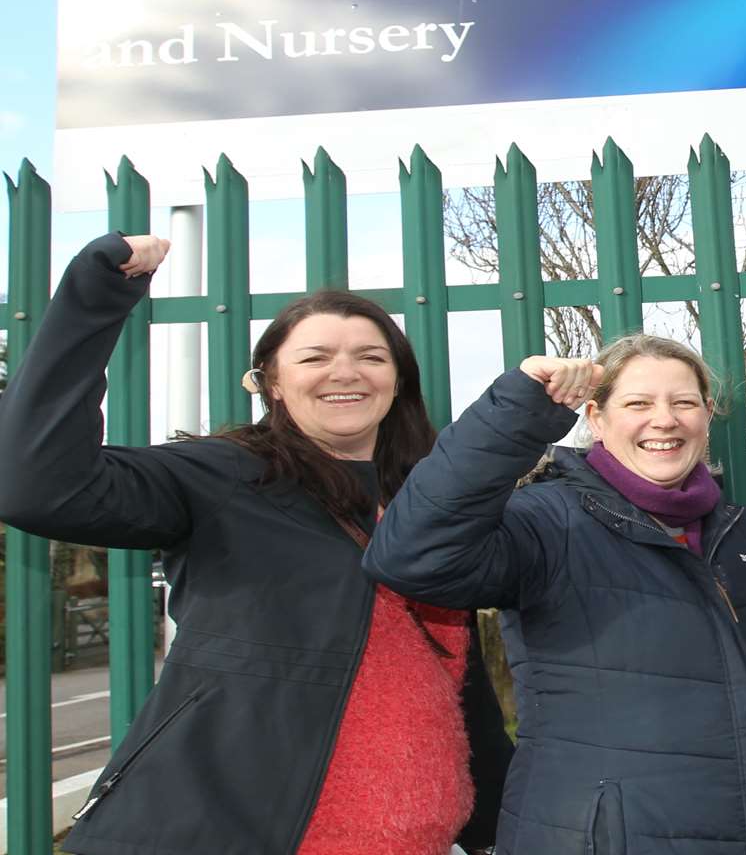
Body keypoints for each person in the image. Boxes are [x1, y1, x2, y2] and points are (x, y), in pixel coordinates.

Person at [0, 233, 511, 855]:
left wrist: (498, 827)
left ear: (398, 380)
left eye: (372, 357)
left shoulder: (433, 496)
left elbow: (458, 682)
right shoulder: (219, 476)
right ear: (270, 380)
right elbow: (35, 485)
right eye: (315, 356)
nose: (345, 372)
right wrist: (95, 297)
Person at [363, 334, 746, 854]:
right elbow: (412, 557)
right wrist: (520, 409)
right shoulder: (548, 522)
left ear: (707, 415)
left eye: (683, 402)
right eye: (638, 403)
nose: (664, 420)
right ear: (596, 419)